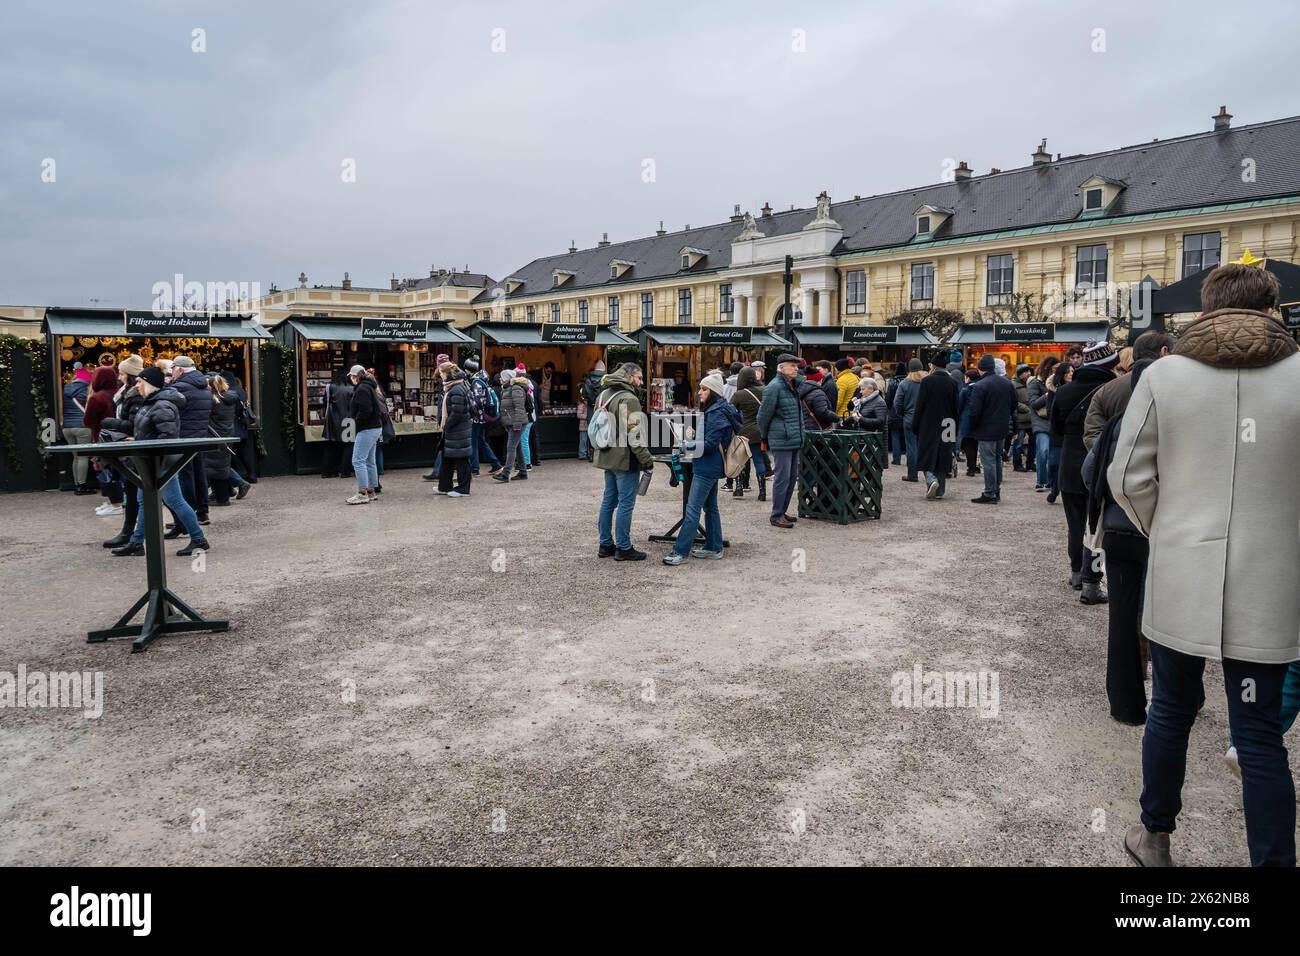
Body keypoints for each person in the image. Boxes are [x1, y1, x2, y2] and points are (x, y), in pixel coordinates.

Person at [1111, 262, 1300, 868]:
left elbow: (1127, 476)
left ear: (1205, 307)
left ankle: (1155, 836)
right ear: (1274, 308)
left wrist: (1164, 530)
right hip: (1271, 578)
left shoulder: (1166, 375)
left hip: (1184, 570)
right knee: (1260, 735)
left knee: (1171, 708)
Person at [110, 367, 209, 557]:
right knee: (145, 501)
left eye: (140, 381)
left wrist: (145, 445)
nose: (137, 384)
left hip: (159, 463)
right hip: (152, 462)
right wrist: (113, 424)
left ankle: (198, 539)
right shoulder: (154, 403)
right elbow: (146, 429)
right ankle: (137, 542)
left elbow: (167, 437)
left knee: (174, 501)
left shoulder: (161, 405)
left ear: (149, 383)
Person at [1051, 340, 1116, 603]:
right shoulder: (1112, 390)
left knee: (1075, 523)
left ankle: (1076, 571)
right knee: (1099, 526)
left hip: (1069, 461)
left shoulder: (1064, 392)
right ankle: (1094, 580)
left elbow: (1054, 428)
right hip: (1100, 462)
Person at [664, 373, 742, 565]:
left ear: (714, 392)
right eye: (700, 388)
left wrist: (685, 444)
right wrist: (694, 437)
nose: (699, 392)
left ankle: (680, 551)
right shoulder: (720, 409)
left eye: (704, 389)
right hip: (711, 465)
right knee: (710, 507)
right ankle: (714, 546)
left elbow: (709, 444)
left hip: (707, 466)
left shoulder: (715, 412)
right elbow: (710, 441)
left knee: (692, 509)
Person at [592, 362, 652, 560]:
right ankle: (624, 548)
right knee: (626, 503)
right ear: (629, 377)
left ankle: (605, 544)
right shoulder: (629, 399)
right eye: (639, 378)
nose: (641, 382)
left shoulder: (604, 394)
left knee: (608, 501)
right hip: (625, 459)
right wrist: (646, 459)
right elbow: (634, 434)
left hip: (606, 454)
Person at [1084, 333, 1176, 452]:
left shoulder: (1106, 391)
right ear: (1164, 351)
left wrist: (1117, 457)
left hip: (1119, 466)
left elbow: (1092, 435)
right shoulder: (1179, 384)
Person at [99, 355, 145, 548]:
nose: (119, 376)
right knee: (136, 493)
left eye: (122, 373)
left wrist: (110, 423)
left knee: (139, 494)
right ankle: (131, 535)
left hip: (136, 448)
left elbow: (134, 424)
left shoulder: (135, 395)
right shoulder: (126, 394)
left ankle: (131, 536)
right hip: (130, 448)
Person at [756, 354, 804, 529]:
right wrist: (764, 436)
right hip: (782, 438)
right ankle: (776, 515)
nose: (796, 368)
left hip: (792, 437)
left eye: (796, 366)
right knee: (782, 478)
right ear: (780, 368)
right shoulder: (774, 387)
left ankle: (782, 511)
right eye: (792, 365)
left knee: (791, 478)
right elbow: (762, 416)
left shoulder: (791, 385)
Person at [168, 355, 213, 527]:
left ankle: (189, 515)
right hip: (200, 436)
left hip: (183, 437)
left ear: (180, 369)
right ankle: (203, 512)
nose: (171, 372)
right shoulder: (204, 386)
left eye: (173, 369)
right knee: (199, 473)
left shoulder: (179, 387)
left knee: (185, 476)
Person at [965, 354, 1016, 504]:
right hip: (1002, 427)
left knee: (988, 461)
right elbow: (1014, 405)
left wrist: (973, 427)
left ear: (980, 370)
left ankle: (990, 493)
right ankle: (996, 490)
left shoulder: (980, 386)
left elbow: (974, 411)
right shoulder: (1007, 383)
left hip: (985, 428)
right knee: (997, 459)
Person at [912, 350, 960, 500]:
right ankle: (940, 491)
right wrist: (955, 429)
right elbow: (956, 407)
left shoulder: (927, 381)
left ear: (933, 365)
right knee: (943, 455)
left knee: (926, 453)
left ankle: (931, 479)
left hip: (929, 423)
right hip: (948, 423)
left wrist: (915, 425)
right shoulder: (952, 382)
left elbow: (920, 405)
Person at [82, 365, 125, 516]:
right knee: (119, 470)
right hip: (121, 437)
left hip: (102, 438)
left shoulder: (97, 397)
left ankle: (115, 503)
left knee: (105, 469)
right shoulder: (121, 393)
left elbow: (88, 422)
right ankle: (117, 502)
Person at [203, 374, 250, 507]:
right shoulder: (229, 398)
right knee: (220, 464)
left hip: (215, 435)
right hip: (227, 433)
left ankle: (235, 487)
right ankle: (226, 490)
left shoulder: (215, 401)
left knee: (216, 465)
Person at [345, 365, 383, 504]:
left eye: (352, 377)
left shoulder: (361, 389)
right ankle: (371, 491)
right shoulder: (369, 386)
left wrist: (356, 423)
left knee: (358, 460)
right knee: (369, 461)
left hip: (367, 428)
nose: (351, 379)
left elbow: (365, 410)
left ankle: (362, 493)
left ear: (355, 376)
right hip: (375, 427)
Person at [435, 364, 472, 497]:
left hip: (458, 431)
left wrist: (447, 425)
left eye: (442, 373)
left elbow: (457, 412)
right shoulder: (453, 387)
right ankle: (444, 486)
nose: (441, 376)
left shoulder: (456, 389)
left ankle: (463, 488)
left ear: (448, 374)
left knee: (461, 459)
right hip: (455, 431)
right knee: (447, 458)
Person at [730, 365, 767, 500]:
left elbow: (730, 411)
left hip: (743, 431)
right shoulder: (764, 390)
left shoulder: (739, 394)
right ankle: (762, 491)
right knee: (759, 460)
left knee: (740, 460)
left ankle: (739, 488)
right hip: (760, 431)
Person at [464, 359, 503, 476]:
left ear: (468, 369)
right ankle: (495, 464)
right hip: (481, 417)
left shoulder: (476, 382)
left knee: (474, 442)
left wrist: (471, 411)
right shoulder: (481, 380)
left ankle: (474, 468)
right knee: (481, 441)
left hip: (477, 418)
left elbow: (477, 402)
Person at [492, 368, 531, 483]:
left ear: (507, 378)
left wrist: (517, 424)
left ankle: (505, 474)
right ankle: (523, 472)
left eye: (502, 377)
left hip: (517, 422)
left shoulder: (515, 388)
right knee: (517, 448)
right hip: (512, 422)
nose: (500, 379)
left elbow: (519, 408)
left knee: (510, 448)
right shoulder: (507, 388)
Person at [61, 363, 94, 494]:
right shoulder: (88, 389)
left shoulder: (65, 388)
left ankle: (76, 484)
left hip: (67, 427)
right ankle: (82, 486)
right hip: (82, 426)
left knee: (75, 457)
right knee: (83, 457)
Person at [1027, 357, 1057, 492]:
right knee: (1043, 451)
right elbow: (1033, 404)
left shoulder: (1061, 382)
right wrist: (1048, 393)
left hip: (1055, 421)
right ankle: (1041, 481)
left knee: (1052, 454)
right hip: (1040, 421)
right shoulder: (1035, 383)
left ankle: (1050, 482)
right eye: (1054, 369)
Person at [1045, 361, 1072, 503]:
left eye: (1072, 371)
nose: (1070, 374)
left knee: (1066, 464)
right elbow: (1050, 410)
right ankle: (1055, 488)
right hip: (1056, 430)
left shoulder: (1075, 388)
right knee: (1055, 463)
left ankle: (1057, 490)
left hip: (1071, 430)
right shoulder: (1053, 390)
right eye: (1067, 372)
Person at [892, 359, 923, 482]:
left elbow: (897, 403)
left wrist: (902, 413)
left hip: (909, 418)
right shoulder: (926, 382)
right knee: (924, 446)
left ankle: (913, 474)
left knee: (911, 447)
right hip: (924, 419)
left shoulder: (904, 384)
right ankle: (929, 474)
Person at [321, 373, 354, 479]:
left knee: (331, 445)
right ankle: (345, 471)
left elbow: (325, 402)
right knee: (348, 446)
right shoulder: (352, 388)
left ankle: (327, 472)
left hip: (332, 419)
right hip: (348, 419)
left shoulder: (330, 387)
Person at [798, 366, 839, 432]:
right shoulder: (818, 392)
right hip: (817, 429)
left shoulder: (800, 389)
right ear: (819, 379)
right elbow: (822, 411)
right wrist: (836, 417)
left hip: (805, 427)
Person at [957, 367, 981, 477]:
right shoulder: (981, 388)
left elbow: (960, 406)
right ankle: (975, 466)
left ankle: (971, 467)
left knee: (968, 444)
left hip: (967, 420)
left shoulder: (965, 390)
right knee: (975, 444)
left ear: (968, 378)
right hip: (979, 420)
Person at [1011, 364, 1034, 472]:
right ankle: (1017, 464)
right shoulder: (1013, 384)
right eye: (1026, 372)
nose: (1029, 373)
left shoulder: (1031, 383)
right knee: (1018, 443)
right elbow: (1013, 401)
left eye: (1029, 371)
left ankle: (1030, 463)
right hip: (1020, 418)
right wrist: (1024, 407)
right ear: (1020, 374)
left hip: (1031, 419)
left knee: (1034, 443)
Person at [885, 362, 907, 466]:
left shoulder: (893, 382)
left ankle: (896, 459)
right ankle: (910, 458)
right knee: (908, 437)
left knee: (895, 436)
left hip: (894, 412)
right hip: (907, 412)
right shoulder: (909, 381)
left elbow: (888, 399)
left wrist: (889, 409)